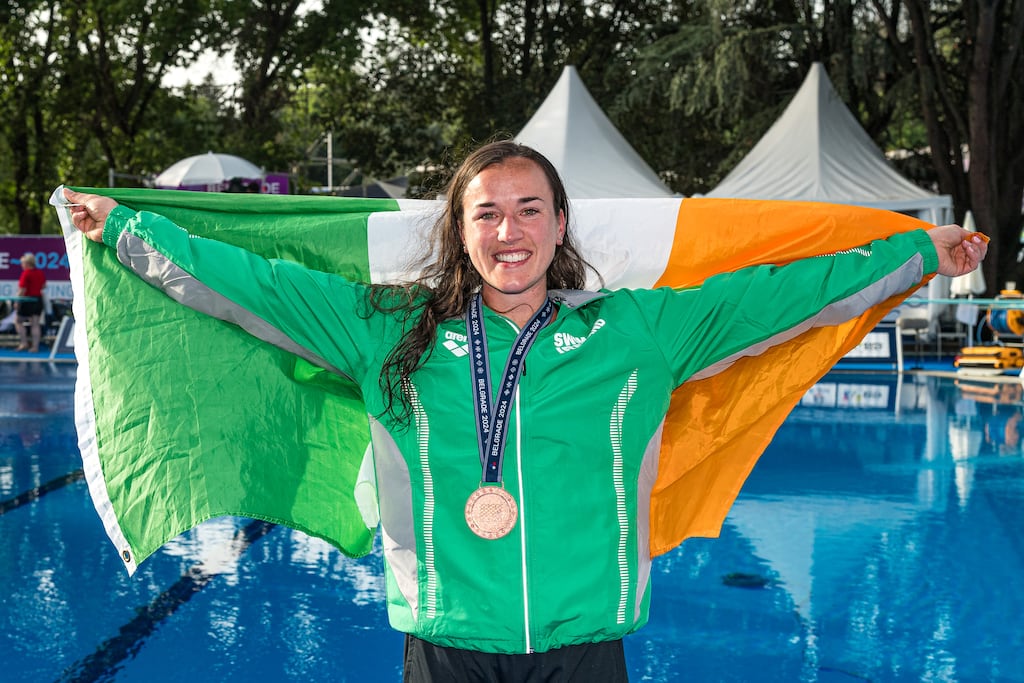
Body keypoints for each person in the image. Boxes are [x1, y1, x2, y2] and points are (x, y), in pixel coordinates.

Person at [63, 140, 987, 682]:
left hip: (587, 644)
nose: (509, 231)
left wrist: (917, 251)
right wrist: (131, 228)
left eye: (529, 209)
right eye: (488, 214)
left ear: (558, 224)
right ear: (461, 233)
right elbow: (249, 283)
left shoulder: (634, 331)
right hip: (445, 641)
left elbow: (786, 293)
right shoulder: (385, 329)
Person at [14, 252, 46, 353]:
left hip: (27, 300)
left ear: (27, 264)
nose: (22, 266)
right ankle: (35, 347)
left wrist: (17, 301)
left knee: (18, 321)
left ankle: (24, 343)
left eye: (23, 263)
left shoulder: (26, 273)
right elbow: (43, 286)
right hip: (37, 300)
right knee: (35, 324)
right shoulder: (39, 272)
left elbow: (22, 289)